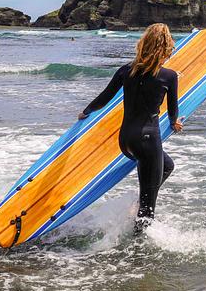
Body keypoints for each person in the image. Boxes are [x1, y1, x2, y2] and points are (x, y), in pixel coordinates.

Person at [77, 23, 182, 232]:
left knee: (167, 166)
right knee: (148, 211)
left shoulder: (126, 70)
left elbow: (104, 97)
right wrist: (174, 123)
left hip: (125, 141)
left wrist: (86, 111)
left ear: (144, 43)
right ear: (166, 47)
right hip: (147, 141)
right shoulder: (169, 76)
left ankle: (142, 199)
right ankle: (136, 247)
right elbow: (173, 110)